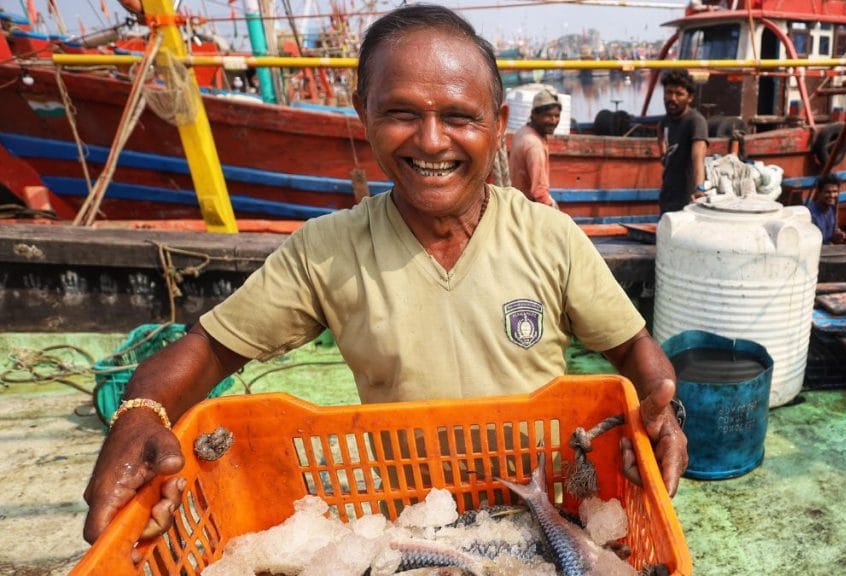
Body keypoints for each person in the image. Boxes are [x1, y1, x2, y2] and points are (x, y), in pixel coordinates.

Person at [81, 4, 687, 551]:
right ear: (362, 114)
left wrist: (664, 412)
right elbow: (209, 348)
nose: (430, 140)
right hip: (412, 524)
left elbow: (633, 349)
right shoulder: (327, 249)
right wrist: (142, 410)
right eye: (400, 113)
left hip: (547, 509)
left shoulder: (549, 237)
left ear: (498, 123)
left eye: (459, 117)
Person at [657, 70, 708, 214]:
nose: (672, 98)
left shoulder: (696, 121)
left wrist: (699, 189)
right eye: (668, 92)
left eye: (679, 94)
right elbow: (661, 144)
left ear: (690, 97)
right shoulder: (664, 122)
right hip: (667, 199)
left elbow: (698, 158)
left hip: (688, 201)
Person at [508, 88, 561, 207]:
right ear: (534, 114)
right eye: (548, 116)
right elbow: (539, 193)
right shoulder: (534, 145)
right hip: (528, 209)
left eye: (556, 116)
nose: (553, 121)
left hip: (517, 204)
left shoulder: (522, 132)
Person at [807, 173, 846, 245]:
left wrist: (845, 236)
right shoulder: (810, 214)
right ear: (819, 192)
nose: (832, 195)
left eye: (835, 192)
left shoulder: (831, 209)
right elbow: (811, 243)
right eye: (827, 192)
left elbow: (833, 235)